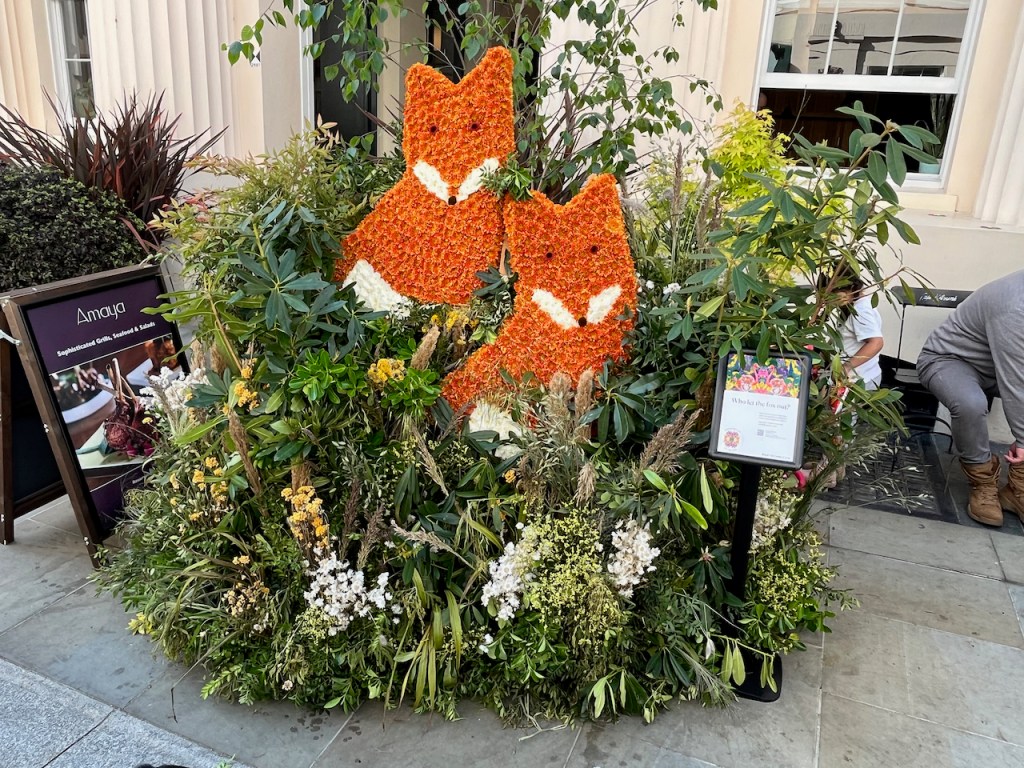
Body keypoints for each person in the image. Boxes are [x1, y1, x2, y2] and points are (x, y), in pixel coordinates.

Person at [917, 270, 1024, 527]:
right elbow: (1015, 379)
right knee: (970, 404)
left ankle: (1016, 491)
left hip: (1002, 370)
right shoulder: (1014, 304)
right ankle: (983, 483)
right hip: (949, 359)